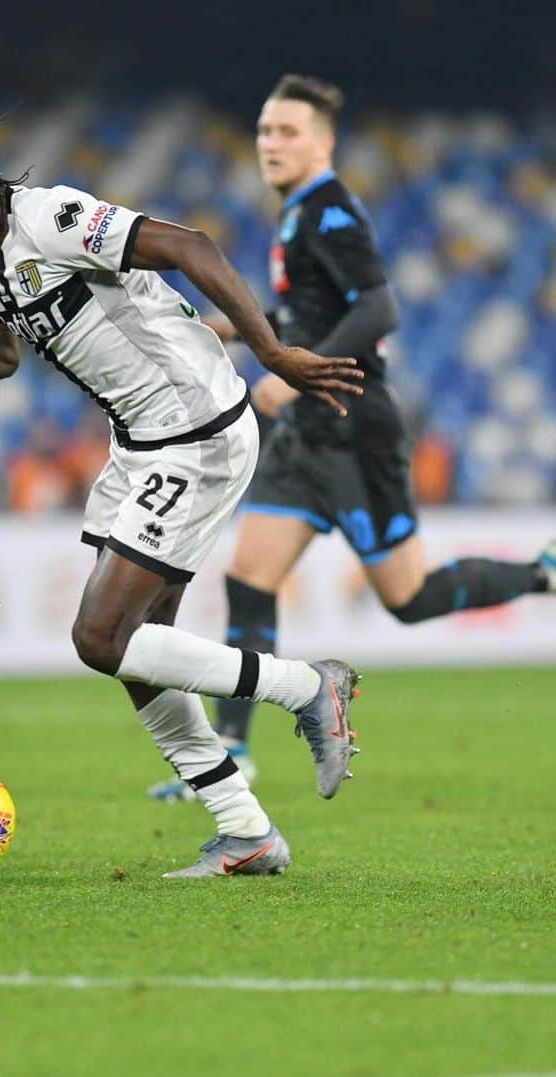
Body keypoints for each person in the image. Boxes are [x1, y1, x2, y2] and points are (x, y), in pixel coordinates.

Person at [0, 105, 365, 879]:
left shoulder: (50, 217)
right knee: (142, 656)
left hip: (196, 427)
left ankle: (309, 686)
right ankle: (245, 832)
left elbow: (190, 245)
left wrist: (272, 351)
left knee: (100, 639)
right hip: (140, 441)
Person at [144, 75, 556, 800]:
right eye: (265, 131)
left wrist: (297, 370)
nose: (271, 143)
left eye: (288, 132)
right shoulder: (298, 215)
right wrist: (221, 329)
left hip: (354, 427)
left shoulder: (332, 211)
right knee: (249, 579)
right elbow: (298, 311)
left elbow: (379, 306)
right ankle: (234, 752)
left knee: (408, 597)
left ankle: (541, 572)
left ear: (323, 143)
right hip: (309, 430)